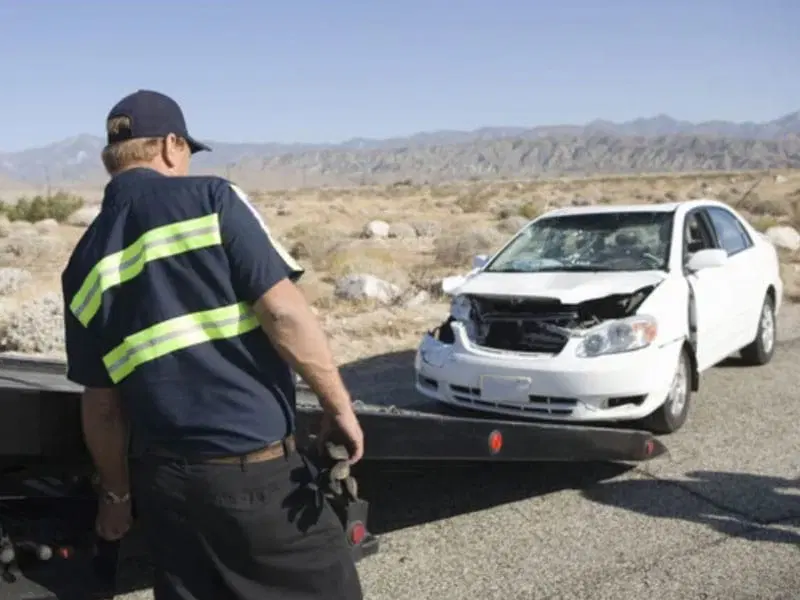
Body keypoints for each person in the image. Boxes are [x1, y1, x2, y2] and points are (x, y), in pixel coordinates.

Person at [60, 89, 365, 600]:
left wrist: (116, 495)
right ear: (170, 145)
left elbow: (103, 406)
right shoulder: (211, 200)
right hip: (255, 478)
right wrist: (339, 406)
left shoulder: (83, 261)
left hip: (167, 492)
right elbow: (284, 312)